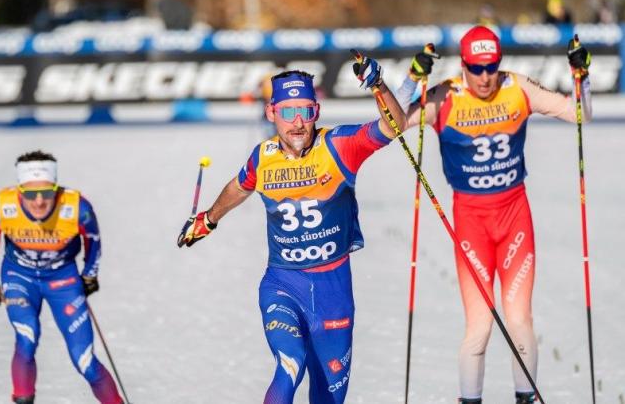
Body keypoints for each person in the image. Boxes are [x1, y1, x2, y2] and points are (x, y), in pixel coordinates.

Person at [358, 25, 592, 403]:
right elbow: (395, 124)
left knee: (519, 321)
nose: (485, 77)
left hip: (514, 216)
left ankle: (525, 398)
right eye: (476, 68)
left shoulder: (518, 87)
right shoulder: (446, 96)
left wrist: (582, 78)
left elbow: (580, 114)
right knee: (479, 327)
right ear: (464, 64)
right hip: (471, 224)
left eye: (491, 67)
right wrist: (409, 80)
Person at [177, 69, 405, 403]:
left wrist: (377, 85)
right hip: (283, 285)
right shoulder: (263, 156)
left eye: (306, 112)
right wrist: (208, 220)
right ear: (271, 113)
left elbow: (394, 126)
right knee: (290, 363)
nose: (297, 122)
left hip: (334, 293)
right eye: (287, 112)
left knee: (328, 397)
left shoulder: (340, 146)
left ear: (317, 112)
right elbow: (241, 186)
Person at [0, 150, 123, 404]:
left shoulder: (77, 206)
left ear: (56, 189)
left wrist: (90, 275)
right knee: (27, 337)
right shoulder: (1, 205)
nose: (38, 202)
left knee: (85, 360)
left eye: (46, 193)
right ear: (19, 190)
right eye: (30, 194)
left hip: (63, 280)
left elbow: (94, 241)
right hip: (19, 276)